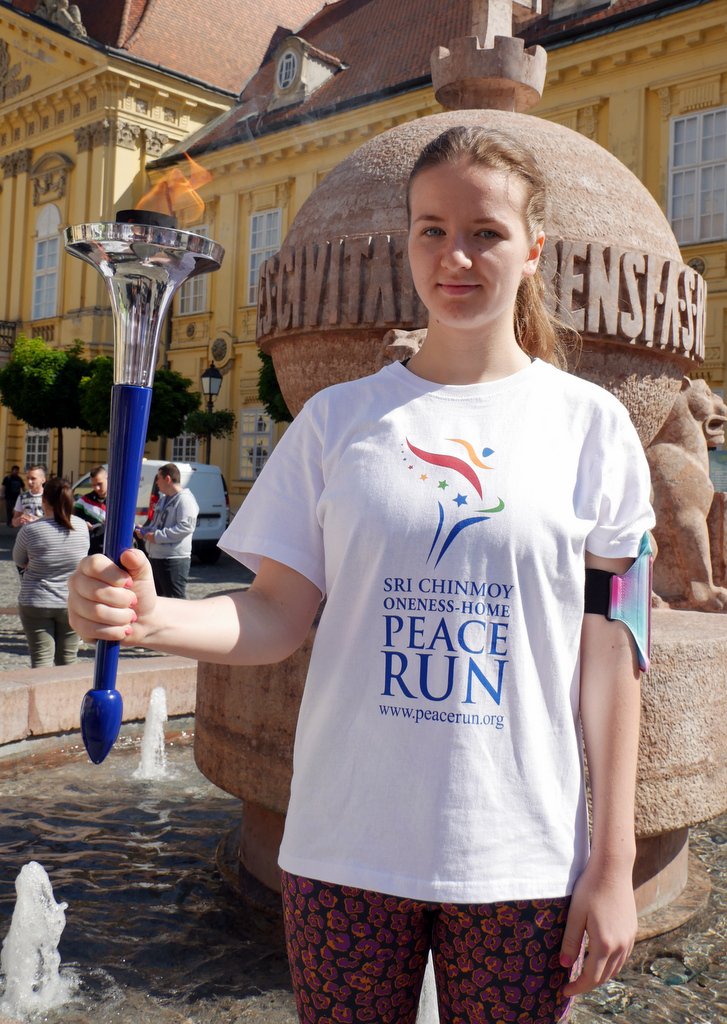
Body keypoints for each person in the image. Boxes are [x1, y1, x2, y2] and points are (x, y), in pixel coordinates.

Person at [69, 126, 654, 1024]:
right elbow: (275, 615)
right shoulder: (340, 421)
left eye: (486, 232)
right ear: (407, 242)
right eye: (431, 229)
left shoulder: (590, 427)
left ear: (533, 249)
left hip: (520, 856)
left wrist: (611, 867)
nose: (455, 256)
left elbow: (612, 661)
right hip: (344, 849)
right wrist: (149, 617)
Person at [14, 476, 89, 668]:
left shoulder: (31, 530)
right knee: (68, 660)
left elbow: (19, 560)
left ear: (44, 500)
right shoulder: (82, 527)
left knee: (41, 660)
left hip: (36, 600)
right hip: (72, 601)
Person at [134, 463, 198, 599]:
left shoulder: (185, 500)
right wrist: (145, 531)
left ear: (167, 479)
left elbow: (186, 527)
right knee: (156, 599)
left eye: (158, 478)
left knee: (175, 600)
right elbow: (157, 525)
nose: (157, 482)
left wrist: (156, 536)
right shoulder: (163, 500)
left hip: (173, 559)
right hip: (156, 556)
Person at [74, 465, 108, 555]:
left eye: (99, 484)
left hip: (110, 549)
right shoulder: (84, 501)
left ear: (108, 479)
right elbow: (73, 521)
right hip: (91, 549)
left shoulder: (117, 501)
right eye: (93, 485)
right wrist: (83, 524)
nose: (96, 488)